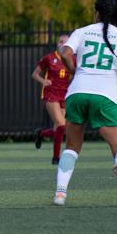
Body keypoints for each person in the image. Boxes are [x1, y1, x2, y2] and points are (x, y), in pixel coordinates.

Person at [52, 0, 117, 207]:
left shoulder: (82, 31)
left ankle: (60, 194)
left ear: (96, 12)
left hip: (77, 92)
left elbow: (64, 53)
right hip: (106, 94)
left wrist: (75, 71)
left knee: (71, 147)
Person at [31, 34, 72, 164]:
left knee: (59, 129)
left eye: (65, 42)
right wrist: (43, 81)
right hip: (51, 95)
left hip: (64, 96)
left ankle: (41, 134)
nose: (62, 44)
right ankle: (56, 158)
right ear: (57, 44)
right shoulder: (49, 58)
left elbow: (73, 75)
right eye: (60, 42)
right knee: (61, 125)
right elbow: (35, 74)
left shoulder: (72, 59)